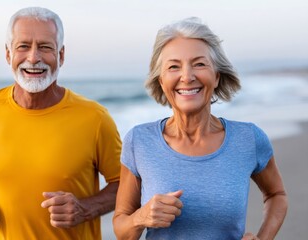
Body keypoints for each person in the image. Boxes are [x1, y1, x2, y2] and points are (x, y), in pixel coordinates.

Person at [113, 17, 288, 240]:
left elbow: (277, 194)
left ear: (216, 76)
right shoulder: (138, 141)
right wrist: (141, 217)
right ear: (161, 81)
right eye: (174, 66)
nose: (187, 76)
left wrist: (264, 238)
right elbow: (122, 228)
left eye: (199, 64)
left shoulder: (249, 139)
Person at [0, 7, 121, 240]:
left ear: (61, 55)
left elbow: (126, 184)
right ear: (8, 54)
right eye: (23, 46)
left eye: (45, 47)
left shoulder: (94, 118)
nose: (33, 58)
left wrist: (86, 208)